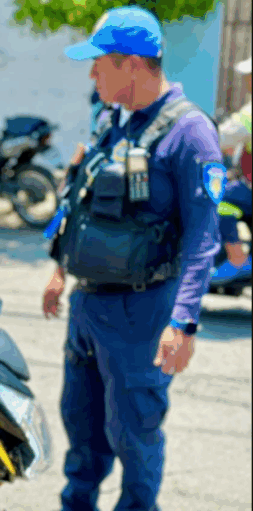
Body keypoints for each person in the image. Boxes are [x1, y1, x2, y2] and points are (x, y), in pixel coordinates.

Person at [42, 7, 224, 511]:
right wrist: (60, 268)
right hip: (87, 307)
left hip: (142, 313)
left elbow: (203, 237)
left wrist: (184, 322)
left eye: (99, 63)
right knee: (82, 435)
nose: (91, 73)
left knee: (134, 437)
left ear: (133, 64)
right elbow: (79, 199)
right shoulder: (111, 121)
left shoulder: (189, 133)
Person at [210, 56, 252, 285]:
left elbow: (223, 136)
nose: (247, 82)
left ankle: (237, 258)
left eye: (249, 77)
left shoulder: (250, 113)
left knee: (218, 199)